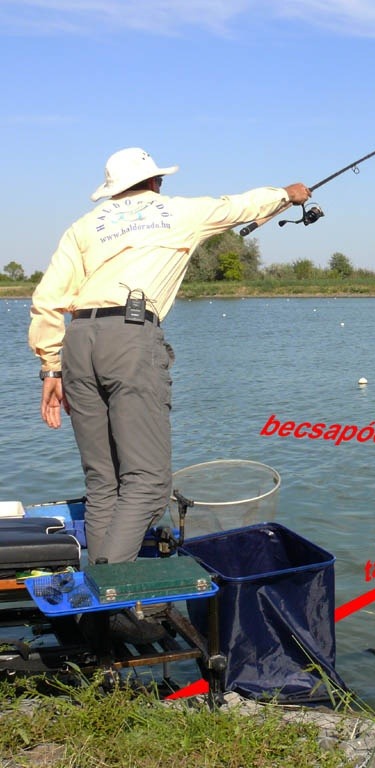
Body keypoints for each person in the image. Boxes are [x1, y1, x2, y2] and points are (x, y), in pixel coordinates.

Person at [29, 147, 311, 566]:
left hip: (77, 341)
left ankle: (99, 616)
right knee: (148, 485)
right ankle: (106, 590)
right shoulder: (177, 212)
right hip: (129, 339)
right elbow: (238, 206)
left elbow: (47, 300)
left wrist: (50, 367)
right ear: (155, 182)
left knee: (104, 484)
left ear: (113, 190)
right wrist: (286, 194)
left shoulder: (84, 227)